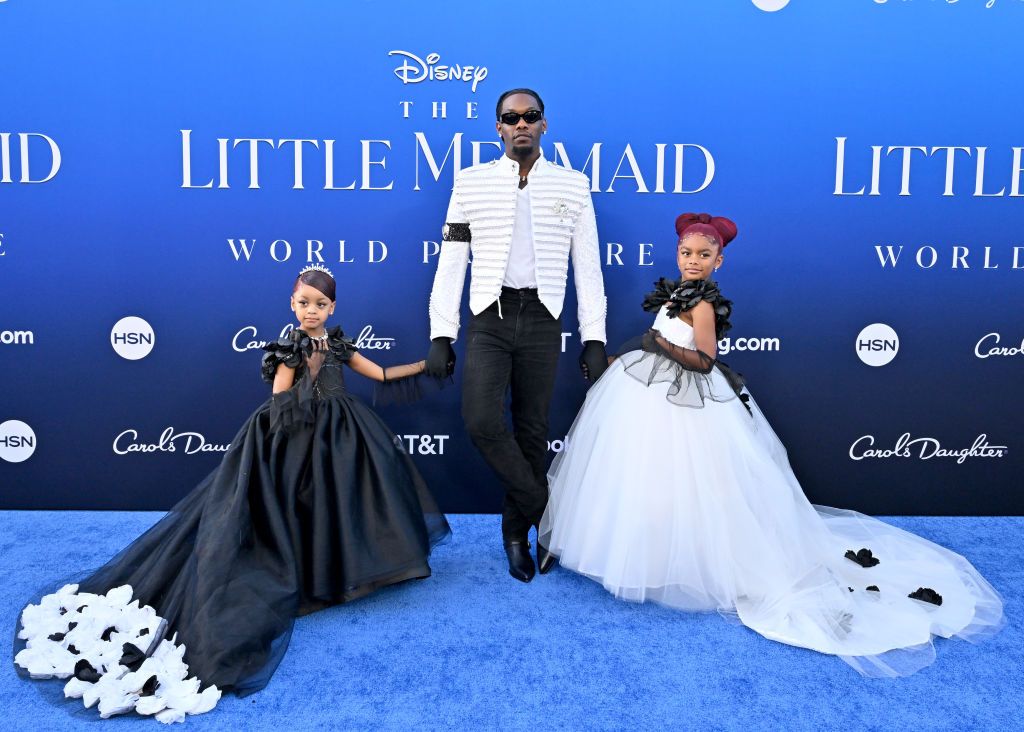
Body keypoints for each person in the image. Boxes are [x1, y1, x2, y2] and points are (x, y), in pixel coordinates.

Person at [538, 213, 1004, 676]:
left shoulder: (702, 306)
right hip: (650, 393)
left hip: (690, 400)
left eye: (704, 255)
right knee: (648, 474)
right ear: (677, 254)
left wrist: (658, 344)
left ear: (719, 261)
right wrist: (639, 350)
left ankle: (688, 560)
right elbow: (663, 341)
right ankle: (642, 548)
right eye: (686, 253)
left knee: (691, 478)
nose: (693, 261)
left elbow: (703, 361)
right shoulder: (677, 293)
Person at [15, 264, 451, 720]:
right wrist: (309, 367)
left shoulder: (339, 342)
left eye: (320, 304)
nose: (311, 311)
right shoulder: (290, 349)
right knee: (291, 507)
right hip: (294, 437)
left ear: (333, 308)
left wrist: (425, 364)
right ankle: (302, 573)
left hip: (341, 435)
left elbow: (379, 375)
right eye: (303, 303)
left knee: (337, 505)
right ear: (292, 303)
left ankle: (333, 573)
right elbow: (282, 399)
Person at [425, 88, 608, 583]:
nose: (521, 123)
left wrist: (593, 336)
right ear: (498, 128)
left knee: (531, 431)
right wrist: (443, 333)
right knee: (481, 420)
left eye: (531, 116)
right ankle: (547, 513)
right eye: (511, 117)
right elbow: (451, 262)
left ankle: (516, 535)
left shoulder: (573, 185)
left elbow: (587, 268)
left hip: (544, 318)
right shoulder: (469, 183)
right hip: (489, 315)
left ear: (544, 125)